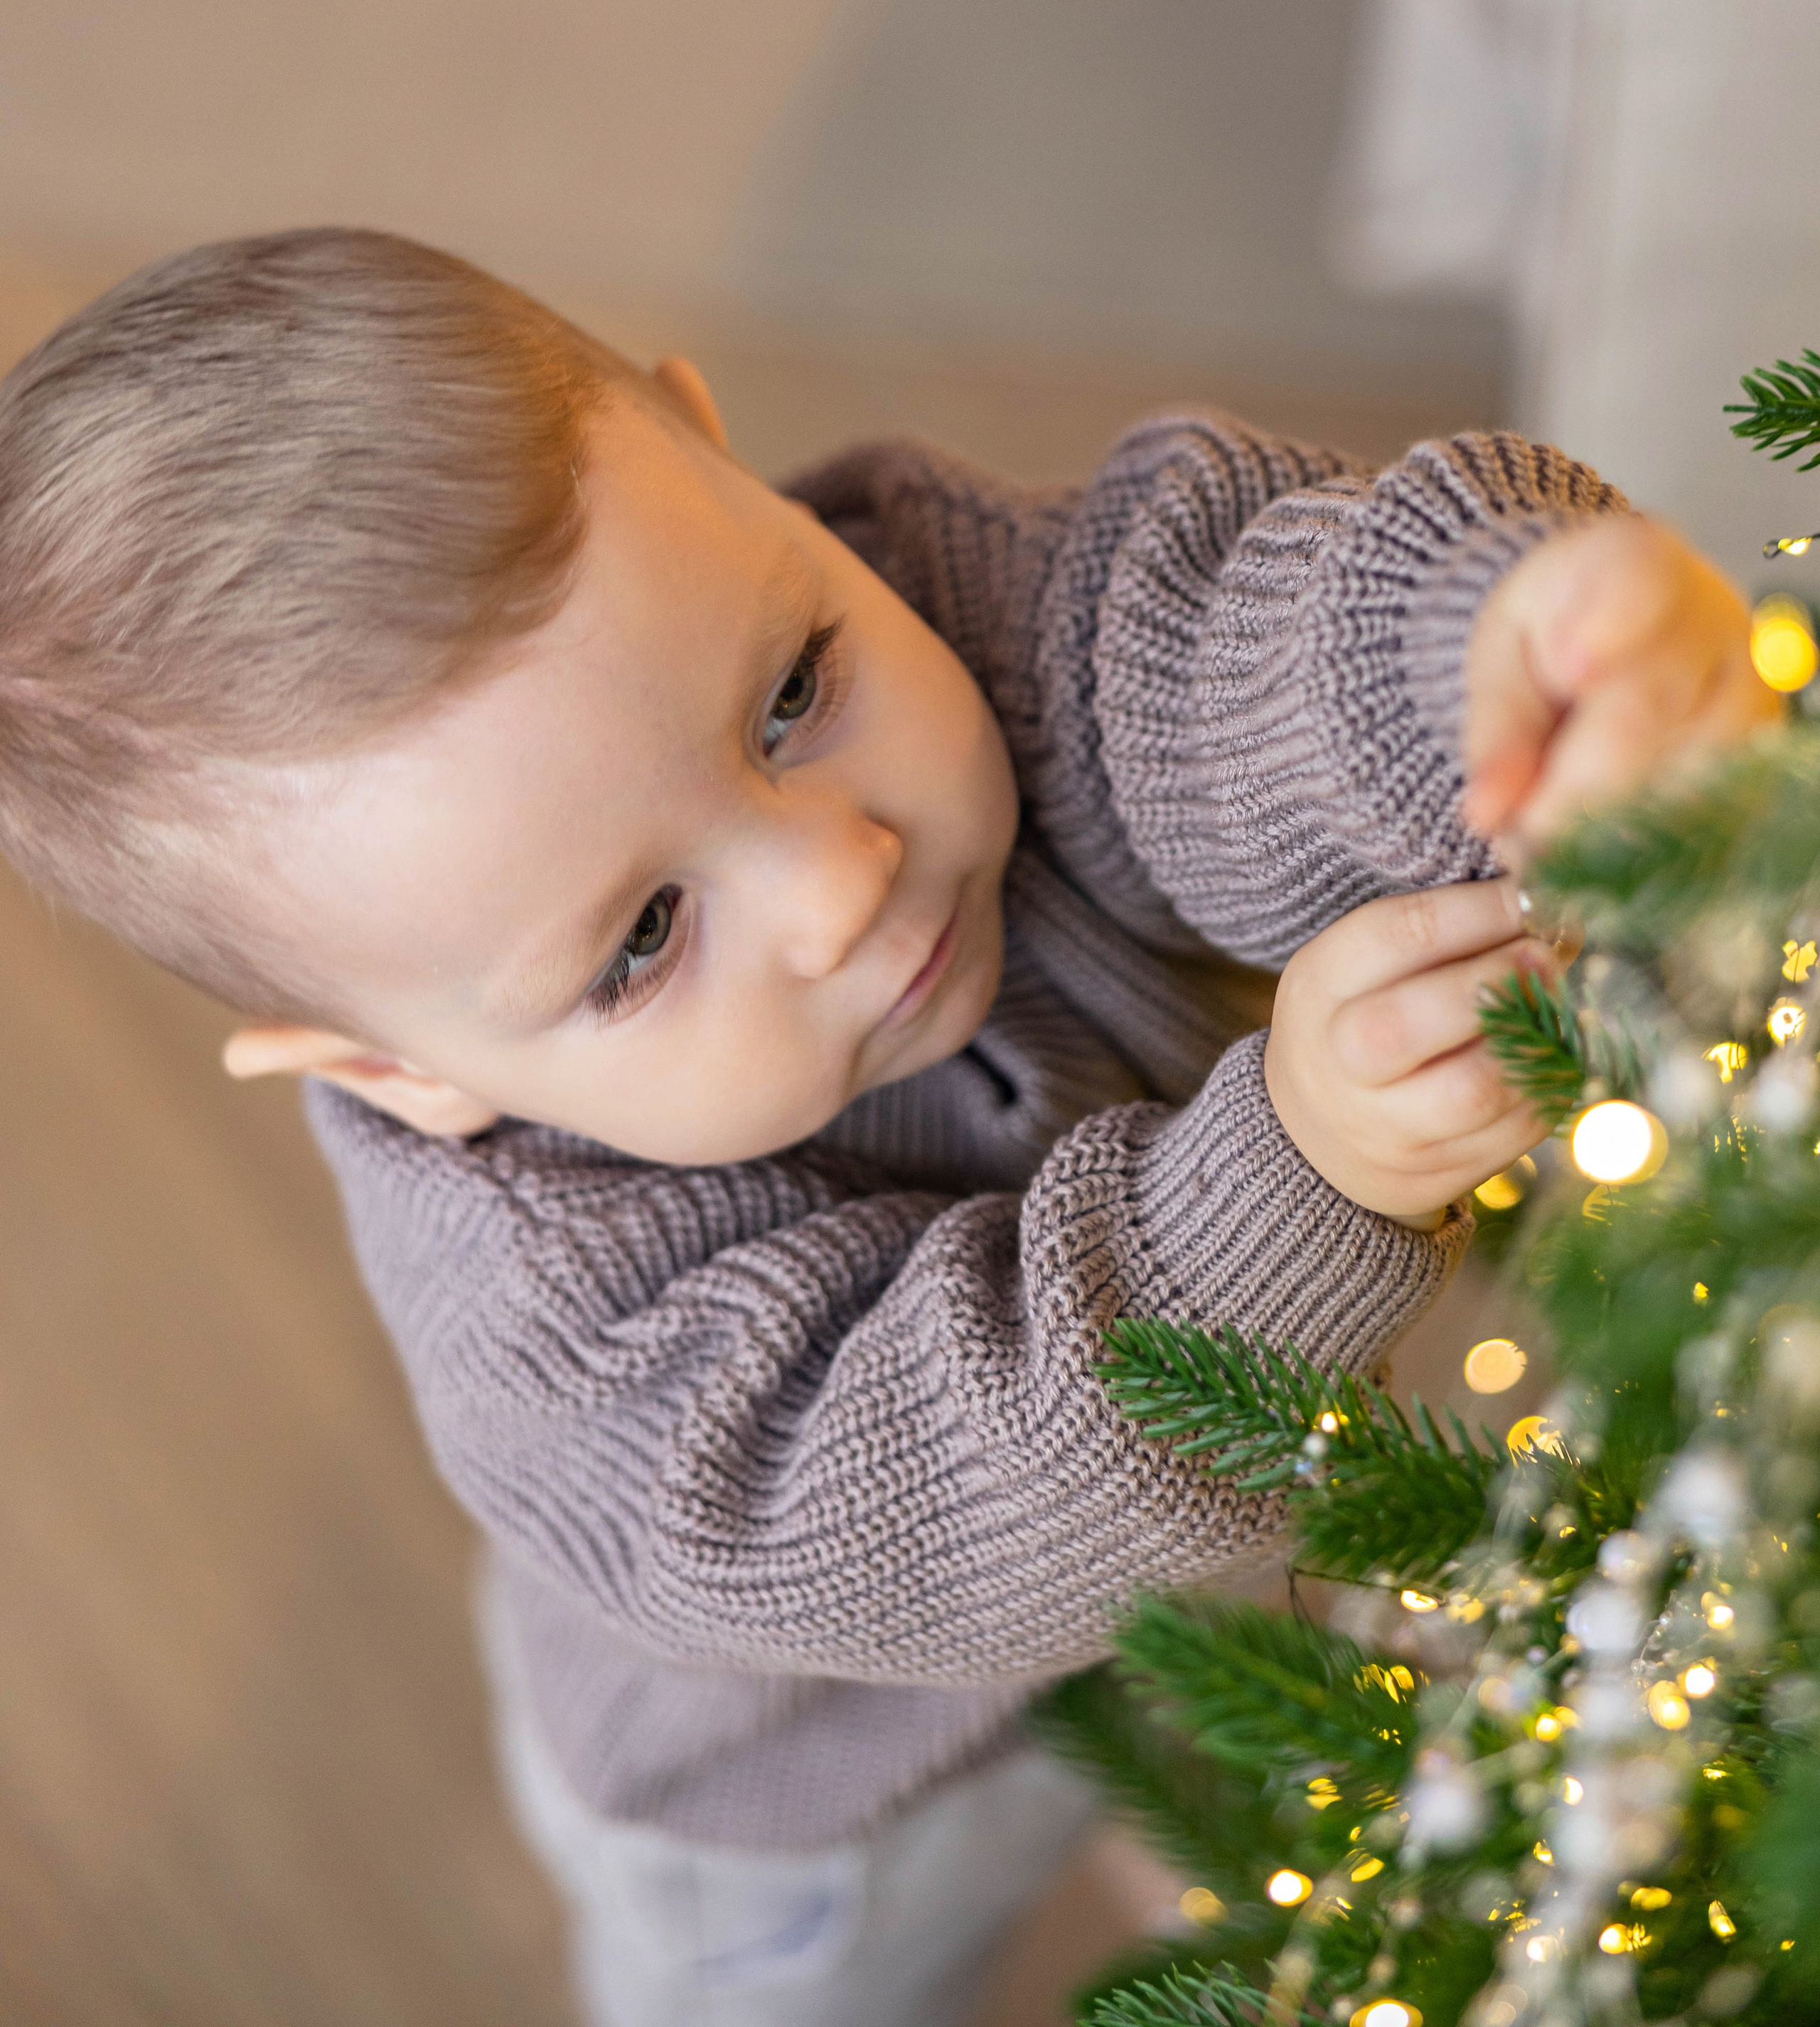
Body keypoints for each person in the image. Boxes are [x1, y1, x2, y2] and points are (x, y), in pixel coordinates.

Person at [0, 228, 1772, 2026]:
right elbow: (916, 1497)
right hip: (823, 1801)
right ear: (399, 1071)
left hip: (1239, 1569)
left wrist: (1499, 646)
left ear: (713, 452)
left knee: (1269, 1777)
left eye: (790, 692)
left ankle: (1223, 1818)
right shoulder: (554, 1334)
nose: (840, 882)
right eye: (640, 937)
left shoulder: (968, 597)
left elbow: (1223, 630)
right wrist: (1293, 1181)